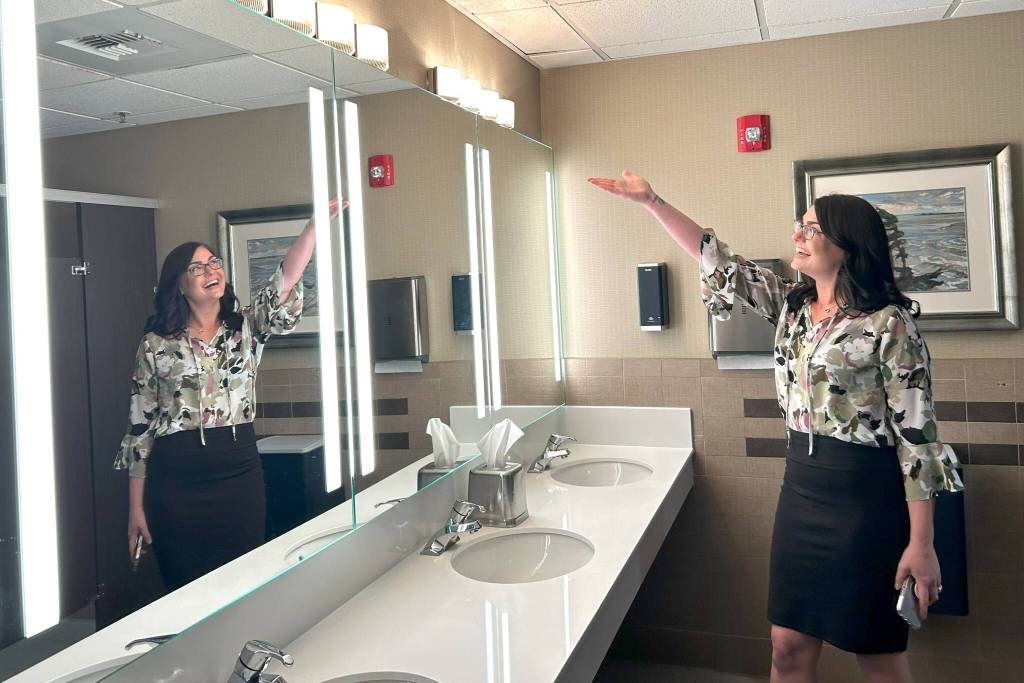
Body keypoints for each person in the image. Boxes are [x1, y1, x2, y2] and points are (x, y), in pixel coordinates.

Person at [588, 172, 963, 683]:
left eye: (811, 229)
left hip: (868, 503)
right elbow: (716, 259)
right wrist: (652, 201)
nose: (797, 237)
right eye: (800, 226)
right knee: (786, 645)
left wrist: (922, 545)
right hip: (802, 491)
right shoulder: (792, 306)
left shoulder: (889, 324)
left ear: (847, 244)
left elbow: (918, 439)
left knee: (875, 651)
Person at [114, 199, 341, 591]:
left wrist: (312, 231)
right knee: (184, 590)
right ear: (179, 285)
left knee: (242, 583)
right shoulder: (155, 344)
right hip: (174, 483)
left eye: (214, 263)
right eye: (196, 267)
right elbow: (140, 427)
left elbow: (283, 284)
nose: (210, 271)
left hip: (238, 474)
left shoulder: (246, 330)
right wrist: (135, 508)